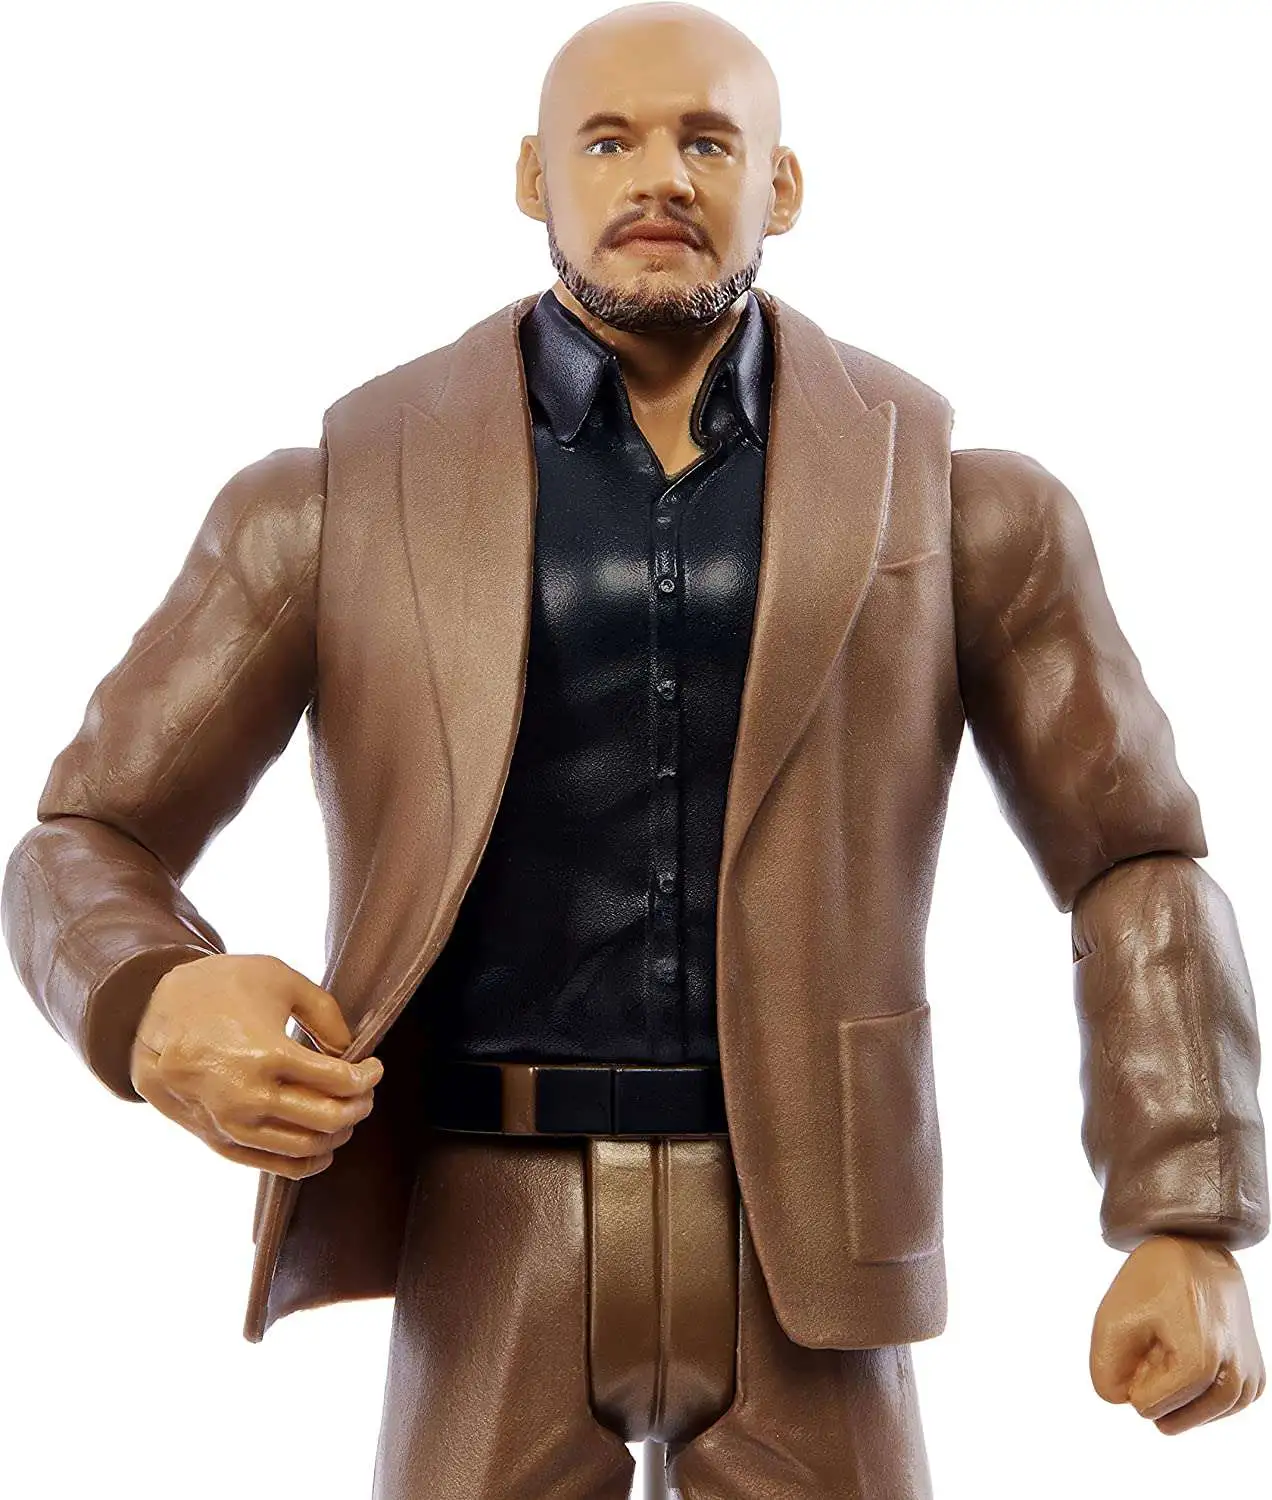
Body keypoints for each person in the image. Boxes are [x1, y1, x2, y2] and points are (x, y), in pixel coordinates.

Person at [4, 5, 1266, 1497]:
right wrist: (149, 999)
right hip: (493, 1218)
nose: (659, 175)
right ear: (531, 176)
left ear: (781, 186)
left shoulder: (956, 505)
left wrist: (1188, 1213)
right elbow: (86, 838)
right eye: (608, 141)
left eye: (707, 142)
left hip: (811, 1229)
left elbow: (1133, 856)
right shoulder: (338, 502)